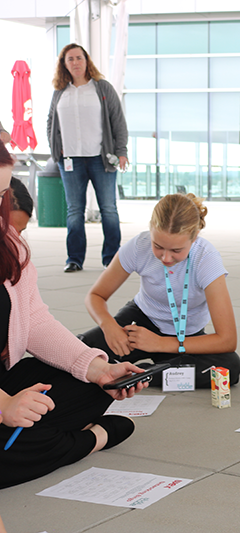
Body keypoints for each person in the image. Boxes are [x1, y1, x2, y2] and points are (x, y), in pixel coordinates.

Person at [0, 141, 145, 490]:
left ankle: (45, 438)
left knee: (94, 386)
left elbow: (33, 319)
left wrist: (97, 369)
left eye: (1, 193)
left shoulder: (11, 245)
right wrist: (5, 406)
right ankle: (90, 440)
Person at [80, 193, 240, 389]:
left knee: (229, 367)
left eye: (176, 251)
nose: (165, 258)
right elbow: (95, 296)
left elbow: (227, 340)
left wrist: (159, 343)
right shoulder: (140, 245)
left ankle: (141, 374)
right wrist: (109, 326)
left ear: (195, 236)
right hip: (139, 324)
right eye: (158, 246)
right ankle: (153, 372)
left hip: (184, 336)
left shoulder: (206, 259)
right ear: (151, 230)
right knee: (77, 351)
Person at [47, 43, 128, 273]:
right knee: (74, 211)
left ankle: (111, 258)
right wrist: (56, 149)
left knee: (108, 209)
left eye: (79, 58)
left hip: (100, 158)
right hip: (70, 160)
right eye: (70, 59)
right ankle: (74, 259)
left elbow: (118, 121)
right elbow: (51, 121)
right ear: (64, 64)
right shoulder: (60, 92)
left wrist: (121, 151)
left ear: (86, 60)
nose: (75, 62)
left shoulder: (102, 88)